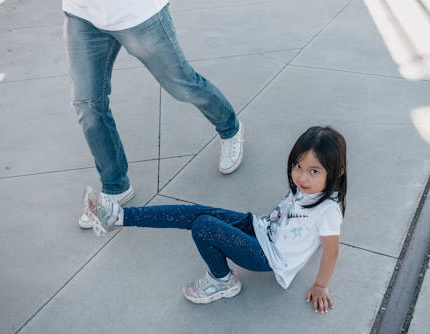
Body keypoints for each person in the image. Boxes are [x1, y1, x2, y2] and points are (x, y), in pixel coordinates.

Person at [83, 126, 346, 313]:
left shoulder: (328, 210)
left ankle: (222, 280)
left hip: (268, 256)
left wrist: (321, 285)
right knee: (195, 212)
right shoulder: (308, 190)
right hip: (260, 229)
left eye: (314, 171)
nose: (302, 177)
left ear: (337, 171)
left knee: (204, 226)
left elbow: (331, 252)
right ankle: (118, 216)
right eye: (298, 167)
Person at [62, 0, 244, 228]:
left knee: (183, 85)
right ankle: (115, 187)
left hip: (137, 14)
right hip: (82, 14)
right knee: (87, 104)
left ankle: (230, 128)